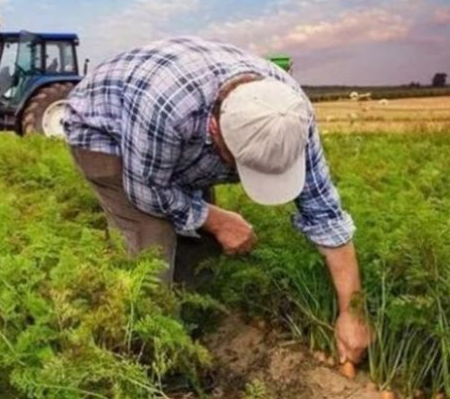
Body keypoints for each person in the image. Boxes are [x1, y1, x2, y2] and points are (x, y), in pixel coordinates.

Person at [63, 36, 371, 365]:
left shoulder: (290, 115)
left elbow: (326, 215)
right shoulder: (168, 109)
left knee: (199, 244)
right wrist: (219, 220)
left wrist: (353, 313)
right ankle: (146, 359)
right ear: (215, 130)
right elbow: (147, 191)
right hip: (104, 132)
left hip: (174, 136)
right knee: (151, 249)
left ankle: (195, 334)